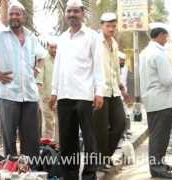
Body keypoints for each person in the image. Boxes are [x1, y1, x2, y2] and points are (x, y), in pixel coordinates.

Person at [0, 2, 46, 159]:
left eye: (17, 13)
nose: (14, 17)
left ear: (23, 16)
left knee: (31, 139)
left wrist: (36, 70)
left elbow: (42, 56)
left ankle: (30, 172)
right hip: (8, 95)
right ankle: (11, 171)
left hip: (30, 95)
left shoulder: (31, 37)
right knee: (9, 140)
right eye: (11, 14)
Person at [48, 0, 104, 179]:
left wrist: (99, 92)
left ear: (82, 13)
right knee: (67, 141)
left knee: (89, 140)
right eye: (69, 11)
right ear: (66, 15)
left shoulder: (92, 36)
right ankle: (70, 175)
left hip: (85, 95)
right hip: (64, 96)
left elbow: (98, 65)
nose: (72, 14)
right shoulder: (62, 38)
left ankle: (89, 175)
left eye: (76, 11)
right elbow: (58, 66)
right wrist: (54, 91)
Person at [139, 23, 172, 179]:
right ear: (160, 35)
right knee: (159, 136)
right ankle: (156, 167)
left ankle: (159, 163)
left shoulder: (145, 52)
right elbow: (167, 80)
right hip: (160, 99)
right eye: (166, 36)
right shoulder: (158, 54)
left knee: (158, 134)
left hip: (152, 98)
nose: (166, 39)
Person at [92, 13, 130, 170]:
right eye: (108, 25)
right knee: (100, 128)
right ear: (102, 25)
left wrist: (121, 86)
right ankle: (100, 160)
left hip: (114, 91)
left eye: (113, 26)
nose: (111, 28)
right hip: (100, 91)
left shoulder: (114, 43)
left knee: (120, 123)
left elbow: (115, 68)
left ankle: (105, 155)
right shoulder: (94, 41)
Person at [37, 38, 59, 142]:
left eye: (56, 47)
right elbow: (39, 77)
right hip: (46, 96)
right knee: (48, 121)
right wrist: (41, 93)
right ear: (47, 47)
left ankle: (58, 144)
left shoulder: (59, 59)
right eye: (52, 47)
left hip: (58, 95)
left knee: (58, 122)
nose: (54, 49)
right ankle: (47, 145)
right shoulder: (44, 59)